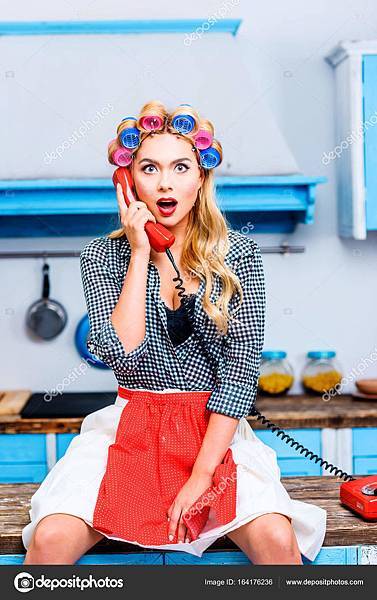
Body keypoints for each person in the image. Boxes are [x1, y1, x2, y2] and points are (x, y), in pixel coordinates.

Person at [22, 100, 326, 565]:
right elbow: (118, 352)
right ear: (127, 182)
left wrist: (201, 475)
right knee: (49, 540)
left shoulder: (239, 255)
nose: (165, 182)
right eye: (149, 168)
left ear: (200, 178)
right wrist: (141, 252)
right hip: (130, 429)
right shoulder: (102, 258)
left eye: (180, 167)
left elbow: (240, 371)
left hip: (214, 433)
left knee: (278, 542)